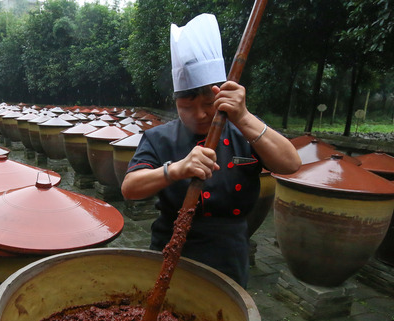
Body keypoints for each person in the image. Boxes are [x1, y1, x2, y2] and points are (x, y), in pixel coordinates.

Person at [121, 13, 301, 288]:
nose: (200, 114)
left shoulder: (244, 131)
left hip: (229, 252)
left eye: (209, 102)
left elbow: (290, 164)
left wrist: (243, 116)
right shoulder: (159, 138)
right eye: (187, 106)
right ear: (176, 103)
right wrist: (177, 169)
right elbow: (130, 188)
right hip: (171, 248)